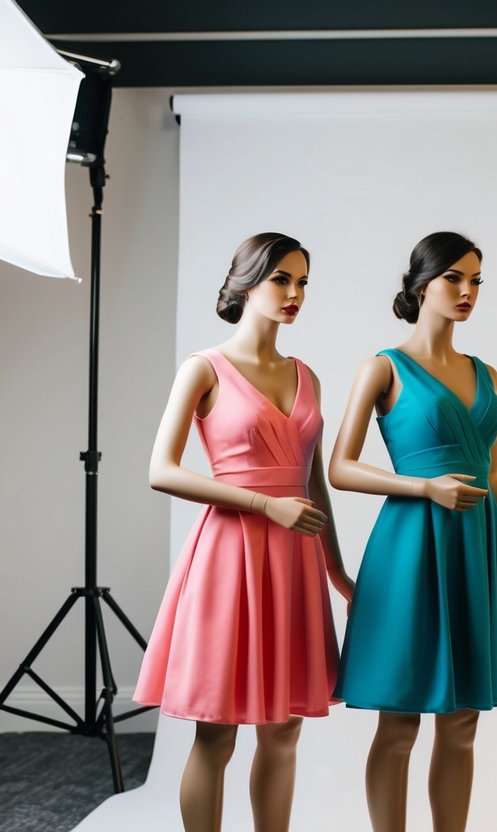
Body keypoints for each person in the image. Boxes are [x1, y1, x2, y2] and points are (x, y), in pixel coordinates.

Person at [329, 231, 497, 832]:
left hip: (476, 547)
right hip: (410, 546)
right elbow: (340, 468)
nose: (467, 291)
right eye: (454, 277)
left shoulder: (488, 374)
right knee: (399, 719)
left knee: (462, 720)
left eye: (476, 280)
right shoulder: (383, 367)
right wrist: (424, 487)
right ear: (422, 284)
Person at [134, 232, 354, 832]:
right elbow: (161, 471)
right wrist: (264, 504)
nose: (294, 293)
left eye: (302, 281)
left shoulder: (306, 375)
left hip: (296, 564)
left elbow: (314, 485)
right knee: (217, 732)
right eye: (281, 279)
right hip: (230, 558)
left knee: (284, 732)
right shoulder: (204, 368)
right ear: (247, 282)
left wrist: (339, 574)